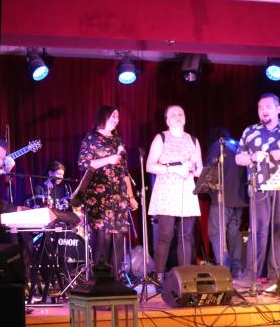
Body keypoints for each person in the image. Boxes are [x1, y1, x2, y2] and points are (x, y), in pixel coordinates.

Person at [235, 93, 280, 282]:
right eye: (260, 107)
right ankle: (251, 275)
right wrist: (252, 157)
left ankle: (275, 276)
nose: (264, 110)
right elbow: (238, 158)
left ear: (278, 109)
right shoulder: (250, 131)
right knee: (257, 231)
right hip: (259, 188)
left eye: (268, 106)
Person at [77, 105, 138, 277]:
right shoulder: (91, 138)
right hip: (99, 195)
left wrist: (130, 196)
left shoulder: (117, 140)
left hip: (119, 195)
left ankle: (114, 280)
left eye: (117, 117)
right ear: (103, 117)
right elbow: (83, 164)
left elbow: (124, 171)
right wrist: (109, 159)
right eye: (113, 116)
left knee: (118, 238)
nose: (116, 120)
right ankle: (100, 281)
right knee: (102, 237)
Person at [146, 105, 203, 279]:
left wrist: (193, 169)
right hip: (167, 191)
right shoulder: (161, 137)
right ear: (167, 121)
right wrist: (173, 169)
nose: (178, 117)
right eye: (173, 115)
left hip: (187, 191)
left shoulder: (193, 139)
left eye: (180, 114)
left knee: (186, 235)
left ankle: (184, 277)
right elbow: (150, 166)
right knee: (166, 234)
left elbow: (199, 170)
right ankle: (158, 275)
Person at [205, 128, 248, 278]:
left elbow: (210, 172)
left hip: (222, 198)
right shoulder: (238, 145)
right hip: (240, 199)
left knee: (216, 233)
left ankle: (225, 269)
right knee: (234, 233)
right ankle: (237, 270)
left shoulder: (218, 145)